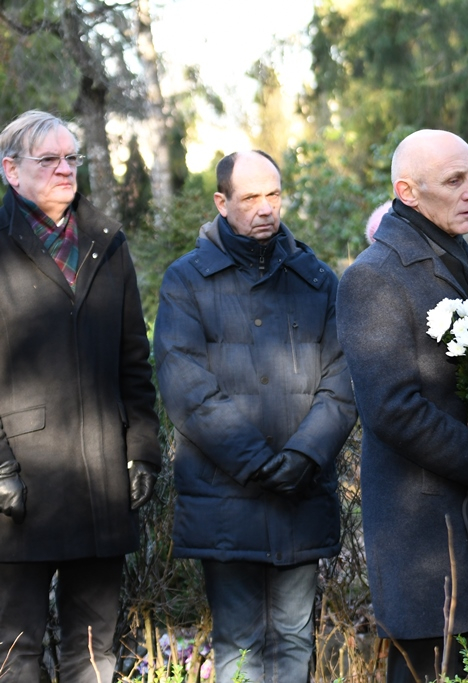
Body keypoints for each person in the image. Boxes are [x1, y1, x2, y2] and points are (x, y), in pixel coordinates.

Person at [336, 129, 468, 683]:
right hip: (422, 533)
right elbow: (392, 410)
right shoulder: (372, 278)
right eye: (455, 180)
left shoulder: (464, 261)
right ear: (408, 191)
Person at [154, 150, 357, 683]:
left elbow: (343, 379)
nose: (266, 208)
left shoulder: (316, 279)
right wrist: (258, 463)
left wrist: (303, 455)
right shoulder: (186, 280)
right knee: (239, 642)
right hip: (226, 494)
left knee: (294, 637)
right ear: (222, 203)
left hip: (302, 489)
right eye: (250, 197)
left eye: (273, 194)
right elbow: (185, 386)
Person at [0, 110, 161, 682]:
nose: (66, 169)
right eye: (49, 160)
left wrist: (142, 448)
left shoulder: (106, 244)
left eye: (72, 158)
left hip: (98, 479)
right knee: (14, 650)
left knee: (93, 649)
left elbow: (132, 359)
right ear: (11, 171)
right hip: (19, 486)